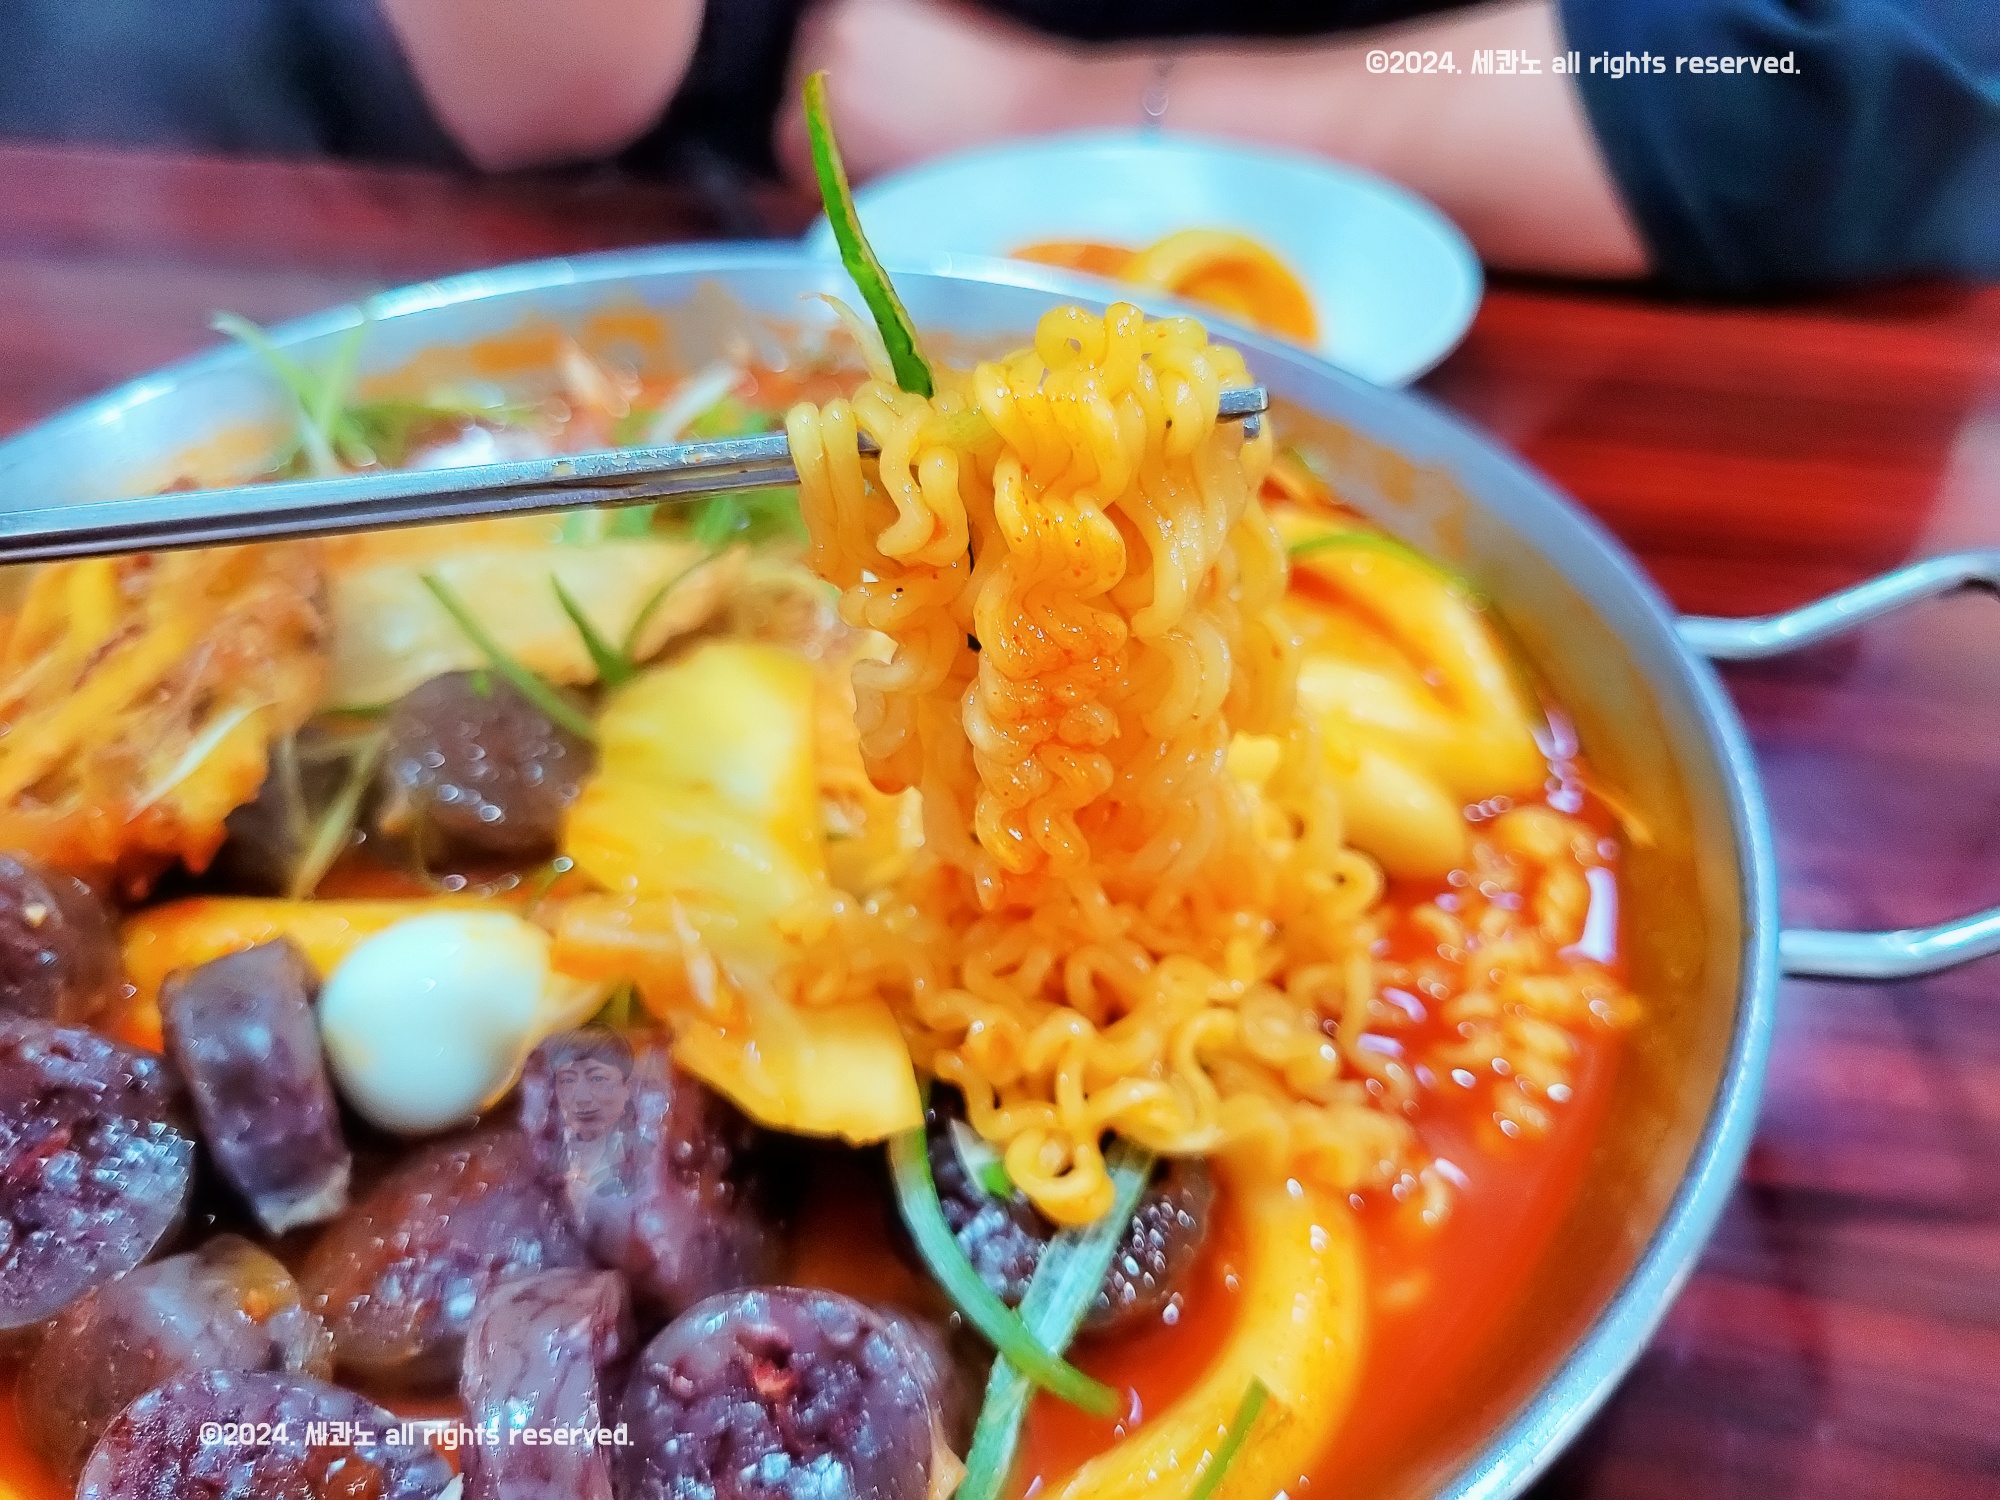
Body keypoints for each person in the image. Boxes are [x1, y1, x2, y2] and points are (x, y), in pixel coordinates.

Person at [2, 0, 1994, 291]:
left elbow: (1834, 77)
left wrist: (1062, 116)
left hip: (1625, 406)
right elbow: (561, 80)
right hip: (800, 311)